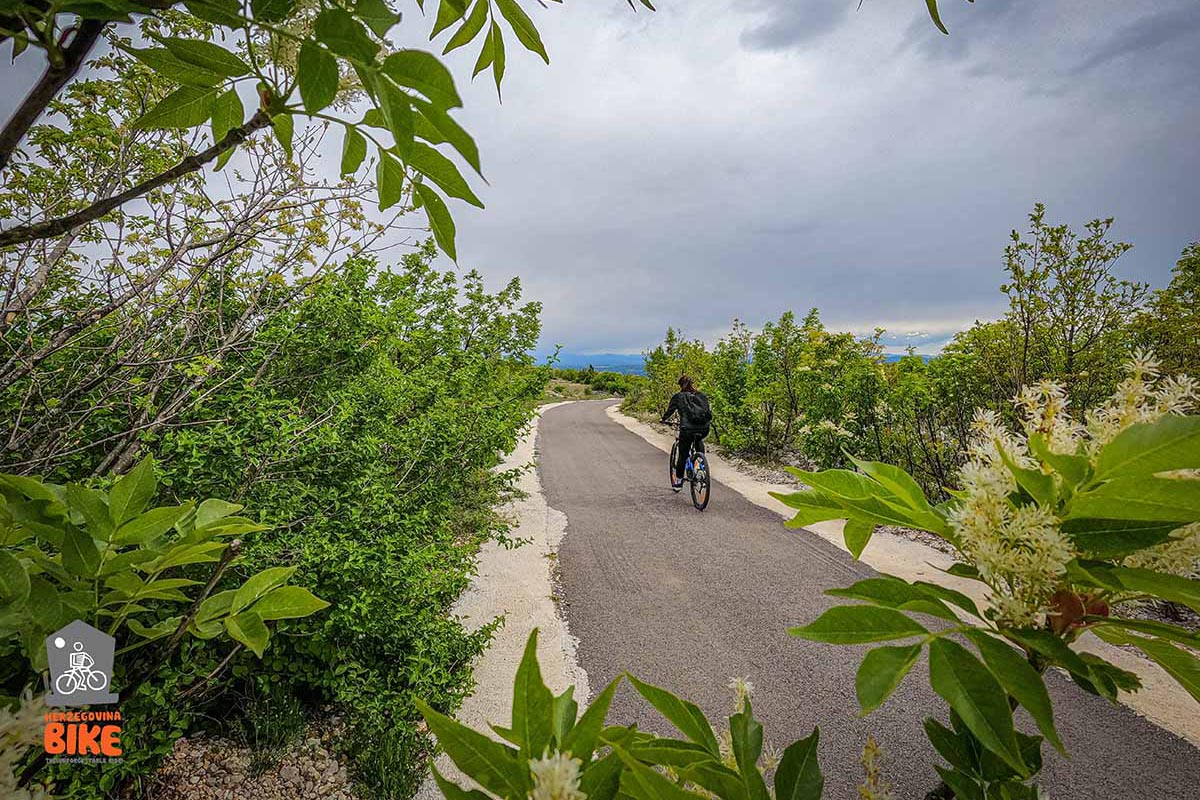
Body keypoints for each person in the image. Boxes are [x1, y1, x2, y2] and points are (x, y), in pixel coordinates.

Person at [661, 374, 712, 491]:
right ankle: (701, 466)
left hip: (687, 429)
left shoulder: (678, 397)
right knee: (698, 439)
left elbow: (670, 411)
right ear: (692, 383)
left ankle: (678, 481)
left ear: (680, 385)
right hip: (704, 428)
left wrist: (663, 419)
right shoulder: (701, 395)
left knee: (682, 455)